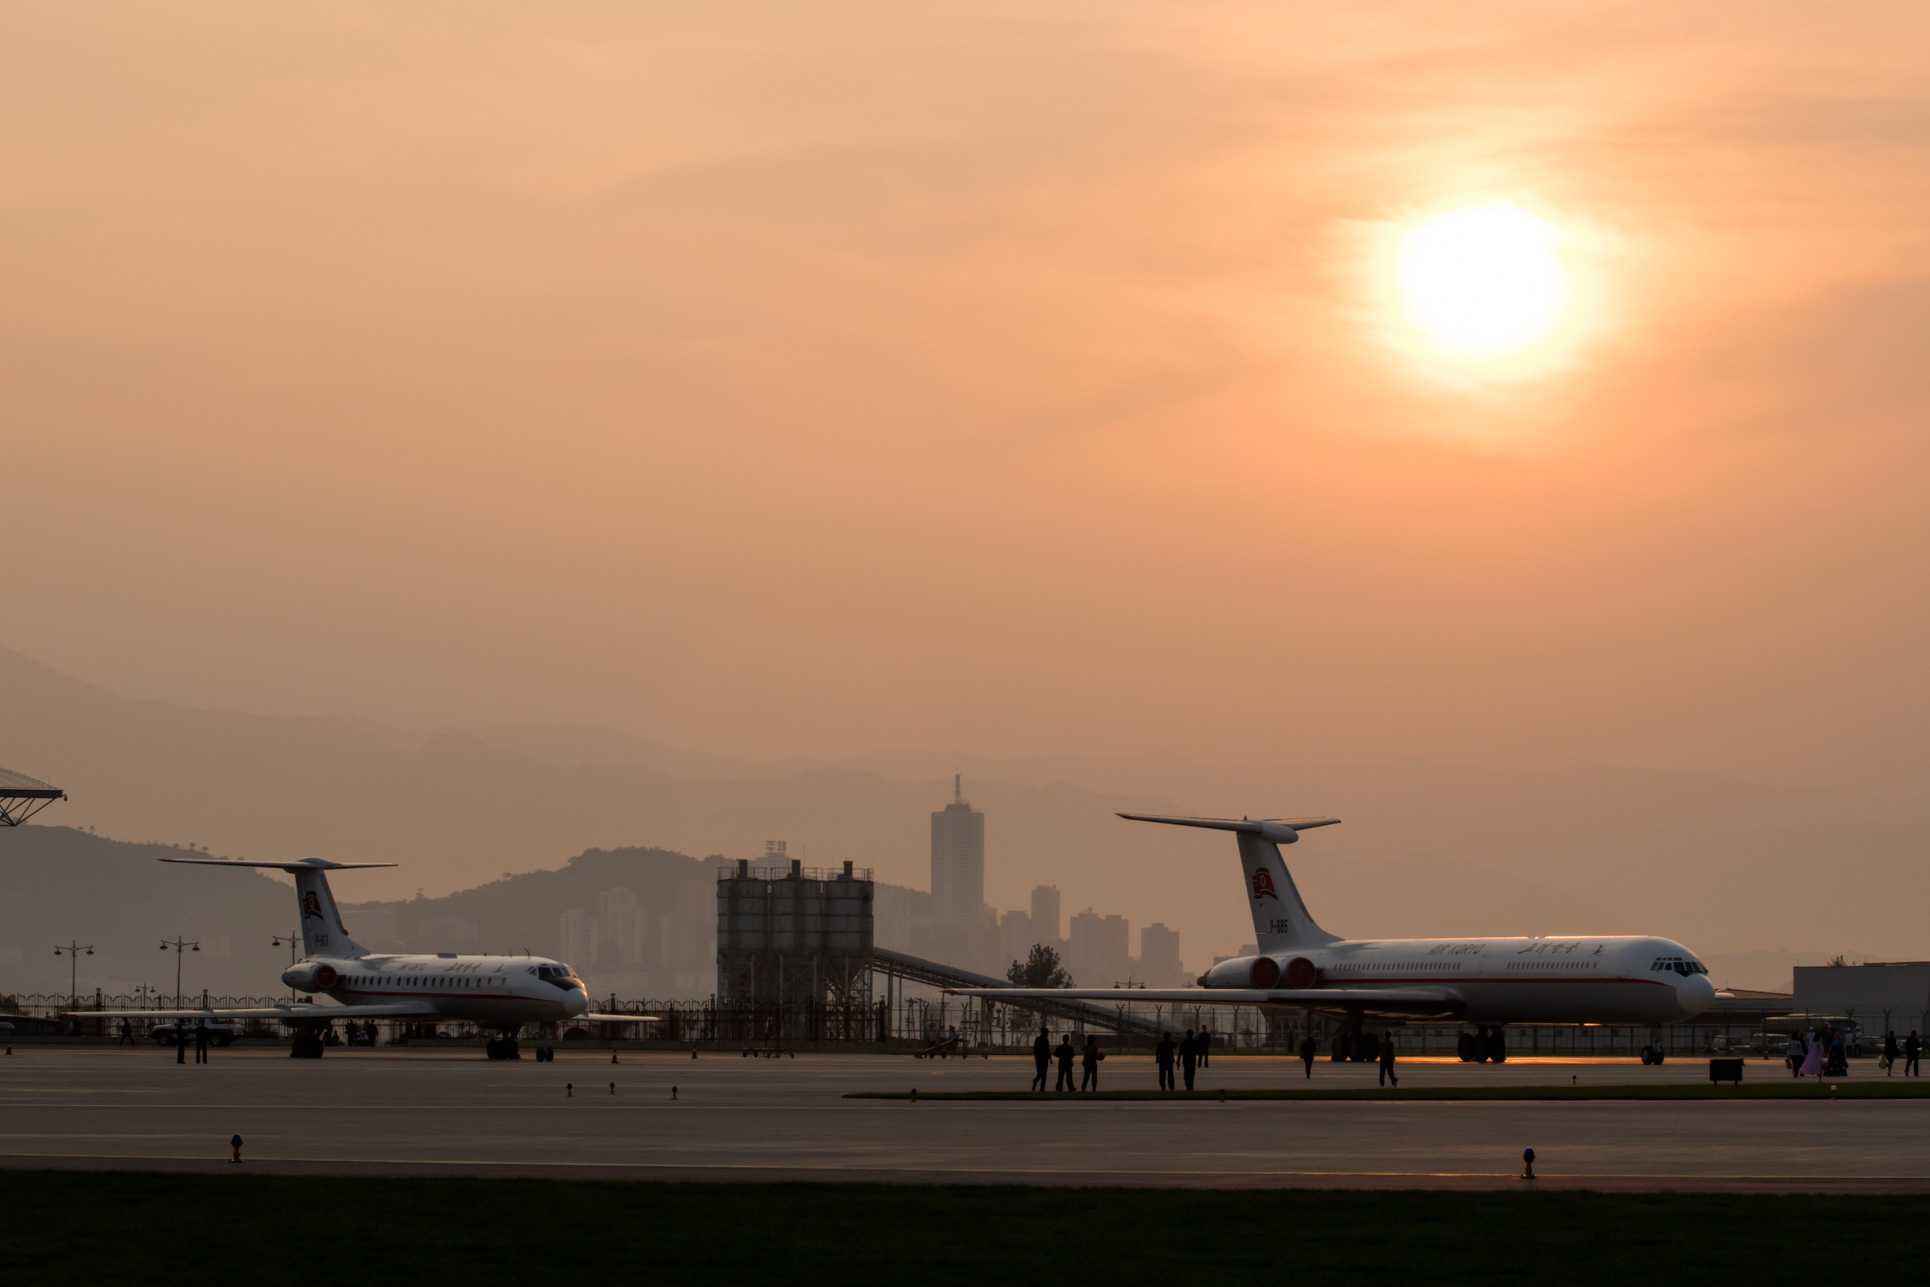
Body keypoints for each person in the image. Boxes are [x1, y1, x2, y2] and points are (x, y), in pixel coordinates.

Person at [1031, 1026, 1052, 1092]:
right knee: (1044, 1075)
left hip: (1038, 1059)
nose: (1047, 1034)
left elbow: (1035, 1049)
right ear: (1045, 1033)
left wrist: (1036, 1057)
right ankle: (1042, 1088)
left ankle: (1036, 1080)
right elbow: (1047, 1050)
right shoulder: (1045, 1040)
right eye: (1047, 1033)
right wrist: (1050, 1058)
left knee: (1040, 1073)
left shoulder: (1037, 1039)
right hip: (1044, 1059)